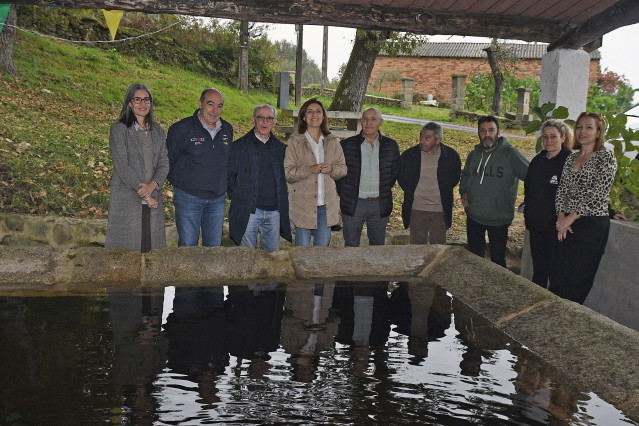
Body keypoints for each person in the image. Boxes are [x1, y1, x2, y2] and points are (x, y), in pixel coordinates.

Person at [549, 112, 617, 304]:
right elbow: (562, 190)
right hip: (567, 223)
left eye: (589, 127)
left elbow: (598, 195)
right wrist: (561, 217)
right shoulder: (571, 158)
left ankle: (569, 322)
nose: (582, 131)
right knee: (558, 275)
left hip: (591, 225)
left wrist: (571, 217)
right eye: (579, 127)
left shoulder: (606, 158)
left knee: (578, 279)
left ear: (598, 132)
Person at [105, 83, 169, 253]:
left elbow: (164, 163)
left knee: (151, 252)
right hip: (127, 198)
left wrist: (153, 186)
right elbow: (122, 166)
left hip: (153, 197)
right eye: (137, 99)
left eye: (146, 99)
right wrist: (146, 194)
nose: (143, 104)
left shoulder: (159, 131)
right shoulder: (119, 130)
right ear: (129, 104)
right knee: (125, 255)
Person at [459, 115, 529, 267]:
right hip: (474, 215)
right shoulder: (474, 155)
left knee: (497, 261)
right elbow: (465, 175)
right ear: (478, 133)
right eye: (483, 131)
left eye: (491, 130)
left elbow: (532, 177)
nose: (487, 134)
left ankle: (498, 290)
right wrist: (464, 191)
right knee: (474, 260)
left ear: (498, 132)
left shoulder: (511, 154)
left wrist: (529, 200)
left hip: (498, 218)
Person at [166, 88, 233, 247]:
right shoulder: (181, 129)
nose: (215, 110)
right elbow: (168, 161)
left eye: (220, 106)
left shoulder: (227, 129)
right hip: (189, 198)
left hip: (217, 200)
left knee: (213, 248)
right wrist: (184, 183)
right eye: (210, 104)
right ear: (200, 103)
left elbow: (227, 161)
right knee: (188, 247)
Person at [227, 104, 291, 252]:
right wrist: (241, 197)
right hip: (249, 211)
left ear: (274, 122)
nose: (265, 122)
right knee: (247, 258)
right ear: (253, 120)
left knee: (272, 259)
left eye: (269, 118)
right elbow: (229, 179)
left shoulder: (281, 149)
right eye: (260, 118)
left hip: (274, 212)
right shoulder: (239, 147)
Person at [284, 98, 347, 246]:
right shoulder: (295, 141)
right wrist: (309, 169)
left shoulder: (332, 141)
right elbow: (288, 173)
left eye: (318, 111)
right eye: (310, 111)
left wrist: (332, 169)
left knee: (322, 254)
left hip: (325, 207)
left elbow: (343, 169)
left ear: (323, 116)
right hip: (302, 206)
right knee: (302, 254)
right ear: (303, 116)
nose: (314, 115)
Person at [336, 107, 400, 247]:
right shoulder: (347, 145)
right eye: (365, 119)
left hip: (379, 205)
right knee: (351, 246)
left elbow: (393, 173)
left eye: (373, 119)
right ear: (361, 121)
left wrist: (381, 190)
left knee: (377, 247)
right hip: (354, 204)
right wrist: (346, 194)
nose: (368, 123)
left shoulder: (391, 146)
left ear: (380, 122)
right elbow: (339, 174)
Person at [523, 120, 573, 288]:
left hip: (558, 229)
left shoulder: (570, 162)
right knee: (539, 270)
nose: (548, 140)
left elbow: (583, 192)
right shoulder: (537, 161)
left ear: (563, 138)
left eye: (553, 136)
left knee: (556, 273)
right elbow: (528, 190)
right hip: (537, 227)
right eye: (545, 137)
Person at [398, 122, 461, 244]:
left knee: (437, 250)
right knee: (417, 250)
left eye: (427, 138)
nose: (422, 141)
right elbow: (402, 178)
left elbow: (454, 179)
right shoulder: (409, 155)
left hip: (440, 210)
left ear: (438, 140)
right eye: (421, 137)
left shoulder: (451, 156)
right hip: (417, 209)